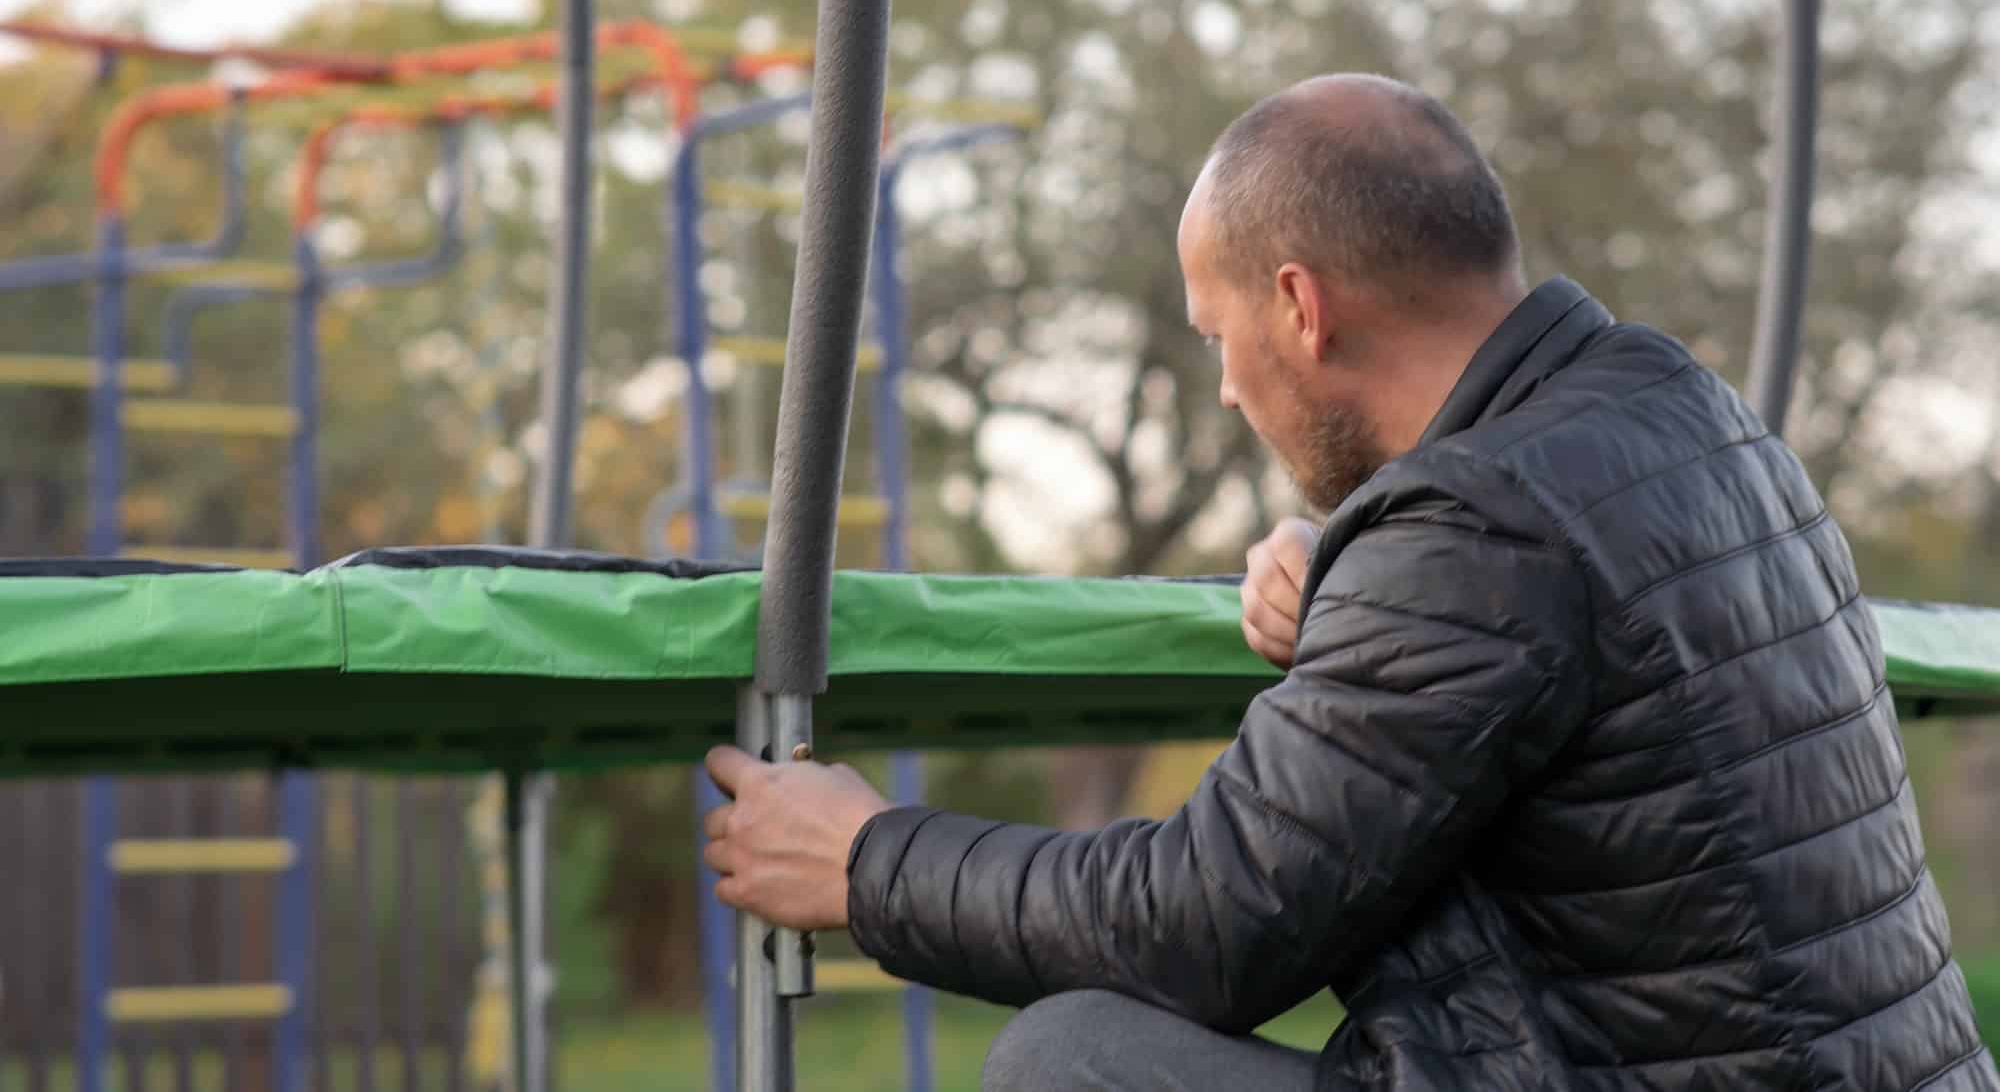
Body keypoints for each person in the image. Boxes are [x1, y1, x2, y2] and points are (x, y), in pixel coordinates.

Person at [700, 74, 1998, 1090]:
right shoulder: (1677, 414)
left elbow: (1205, 924)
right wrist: (1359, 570)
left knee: (1075, 1061)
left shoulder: (1477, 538)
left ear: (1300, 309)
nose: (1223, 384)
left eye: (1220, 337)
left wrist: (868, 859)